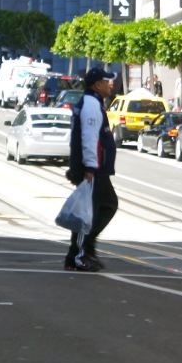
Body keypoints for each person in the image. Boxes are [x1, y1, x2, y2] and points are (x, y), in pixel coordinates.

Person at [64, 67, 119, 272]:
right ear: (97, 84)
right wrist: (89, 167)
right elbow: (89, 138)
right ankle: (79, 254)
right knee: (87, 214)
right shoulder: (91, 105)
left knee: (105, 206)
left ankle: (85, 249)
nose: (111, 83)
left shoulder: (94, 103)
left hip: (97, 169)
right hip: (93, 169)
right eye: (107, 80)